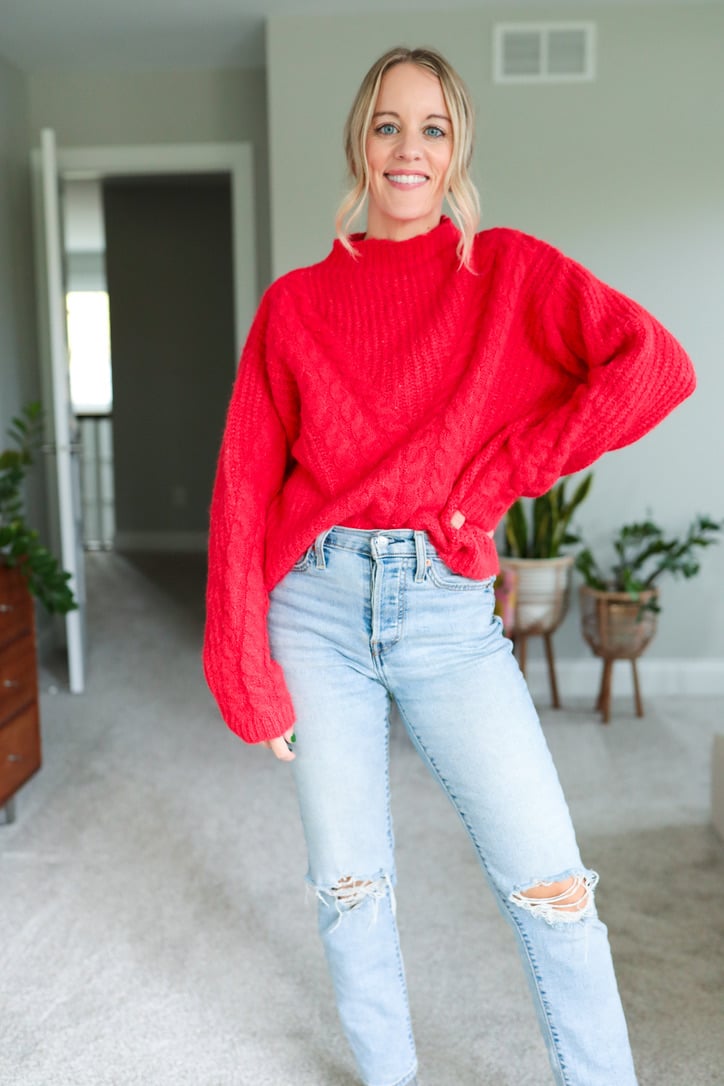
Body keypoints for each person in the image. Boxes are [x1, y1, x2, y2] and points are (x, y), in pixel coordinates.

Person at [203, 45, 695, 1086]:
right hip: (316, 611)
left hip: (445, 615)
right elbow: (244, 487)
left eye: (431, 127)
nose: (407, 147)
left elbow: (653, 366)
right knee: (349, 885)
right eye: (387, 124)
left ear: (457, 146)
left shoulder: (506, 271)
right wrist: (246, 673)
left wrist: (501, 475)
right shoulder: (294, 307)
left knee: (553, 884)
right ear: (359, 143)